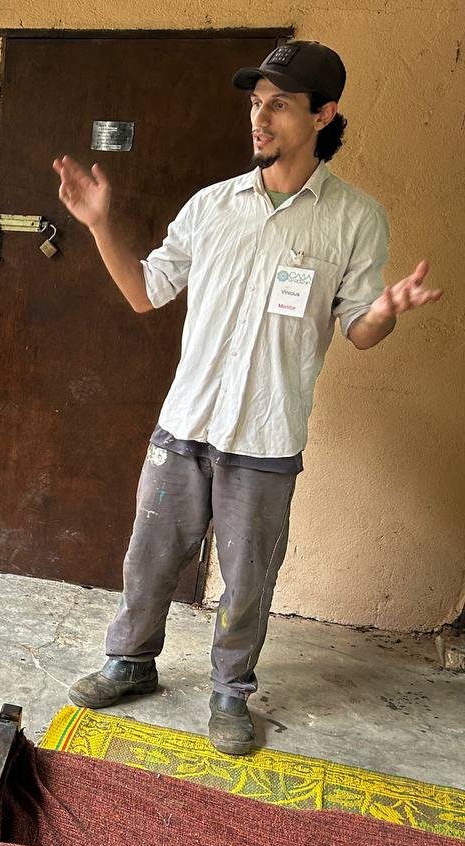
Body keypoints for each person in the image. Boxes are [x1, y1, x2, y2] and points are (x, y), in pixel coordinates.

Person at [52, 41, 443, 754]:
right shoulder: (212, 206)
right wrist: (100, 223)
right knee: (149, 558)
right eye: (256, 103)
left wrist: (386, 311)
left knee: (247, 580)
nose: (259, 118)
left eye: (279, 105)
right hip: (185, 424)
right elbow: (145, 292)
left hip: (265, 437)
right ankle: (130, 662)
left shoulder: (355, 219)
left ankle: (231, 691)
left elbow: (359, 330)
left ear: (323, 115)